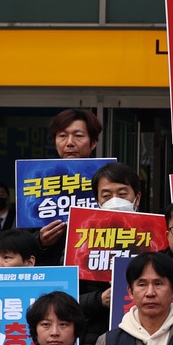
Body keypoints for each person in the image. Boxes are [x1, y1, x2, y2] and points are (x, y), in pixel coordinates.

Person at [78, 162, 148, 345]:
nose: (115, 201)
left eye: (122, 194)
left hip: (144, 339)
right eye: (107, 196)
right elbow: (66, 298)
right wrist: (99, 299)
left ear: (137, 198)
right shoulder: (80, 242)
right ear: (97, 201)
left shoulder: (155, 237)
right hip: (93, 339)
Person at [96, 252, 173, 345]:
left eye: (158, 284)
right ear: (131, 291)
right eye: (142, 285)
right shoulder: (108, 342)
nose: (150, 293)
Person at [36, 109, 105, 259]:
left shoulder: (107, 180)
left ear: (93, 143)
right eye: (62, 136)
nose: (69, 143)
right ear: (55, 142)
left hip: (94, 270)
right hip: (53, 272)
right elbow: (21, 238)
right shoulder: (38, 181)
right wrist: (40, 241)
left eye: (78, 136)